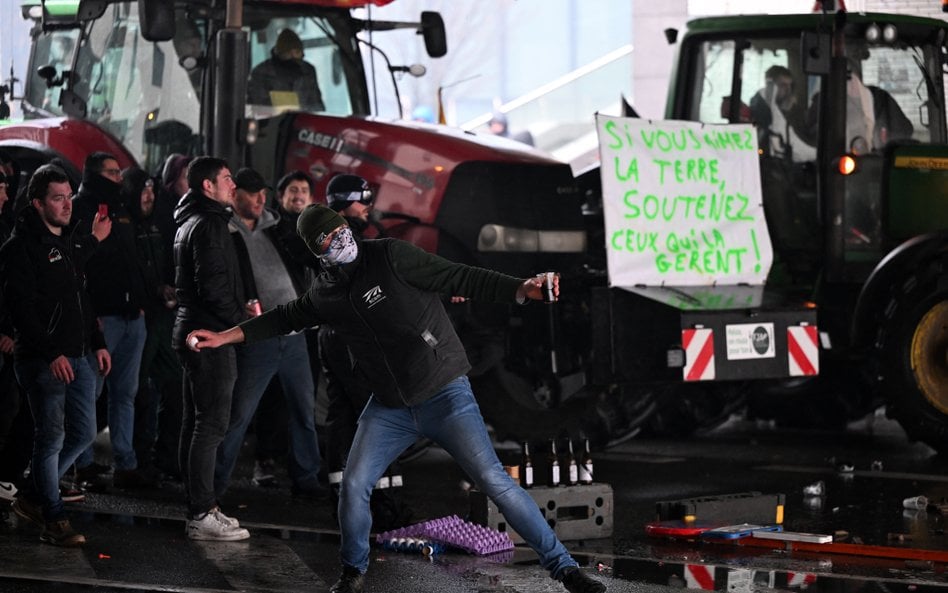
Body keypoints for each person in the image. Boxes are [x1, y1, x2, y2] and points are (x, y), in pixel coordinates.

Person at [185, 204, 607, 593]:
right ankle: (353, 571)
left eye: (341, 229)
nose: (341, 238)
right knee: (353, 485)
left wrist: (523, 288)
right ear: (318, 252)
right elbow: (282, 318)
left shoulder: (390, 256)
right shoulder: (326, 294)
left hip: (445, 395)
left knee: (495, 481)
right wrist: (224, 336)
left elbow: (460, 276)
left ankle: (565, 568)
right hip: (389, 407)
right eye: (328, 239)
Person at [0, 164, 112, 546]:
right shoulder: (19, 248)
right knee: (51, 437)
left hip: (79, 355)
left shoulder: (68, 242)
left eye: (68, 196)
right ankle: (53, 517)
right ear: (37, 202)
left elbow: (80, 298)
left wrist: (96, 341)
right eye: (57, 198)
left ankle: (33, 495)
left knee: (83, 431)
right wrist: (50, 354)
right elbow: (22, 309)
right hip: (42, 360)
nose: (66, 205)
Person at [214, 167, 325, 499]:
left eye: (263, 192)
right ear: (235, 195)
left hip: (292, 335)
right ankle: (214, 487)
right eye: (253, 193)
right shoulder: (224, 231)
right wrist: (238, 309)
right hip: (258, 336)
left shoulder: (276, 227)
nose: (261, 199)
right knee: (239, 413)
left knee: (304, 411)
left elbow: (304, 259)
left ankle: (306, 479)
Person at [172, 156, 249, 541]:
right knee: (211, 425)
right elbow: (214, 287)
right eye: (227, 178)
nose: (233, 185)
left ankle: (198, 506)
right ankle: (202, 511)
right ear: (207, 187)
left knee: (196, 422)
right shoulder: (210, 225)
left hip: (191, 328)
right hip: (210, 333)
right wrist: (242, 323)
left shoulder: (191, 221)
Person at [72, 152, 154, 489]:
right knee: (89, 392)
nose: (119, 178)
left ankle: (125, 462)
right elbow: (80, 267)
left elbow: (133, 261)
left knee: (125, 393)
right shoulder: (81, 208)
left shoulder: (121, 208)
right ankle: (82, 461)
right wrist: (92, 321)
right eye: (112, 172)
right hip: (103, 320)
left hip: (132, 317)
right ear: (95, 174)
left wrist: (141, 302)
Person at [120, 167, 182, 478]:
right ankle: (137, 460)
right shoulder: (123, 226)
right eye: (142, 189)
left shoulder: (160, 223)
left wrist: (170, 287)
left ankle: (166, 456)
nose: (149, 195)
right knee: (140, 392)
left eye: (151, 189)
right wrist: (154, 290)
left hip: (165, 317)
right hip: (140, 318)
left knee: (173, 386)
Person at [248, 29, 325, 112]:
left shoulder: (308, 71)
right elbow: (256, 107)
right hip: (272, 123)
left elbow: (317, 105)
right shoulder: (262, 73)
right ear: (281, 52)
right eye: (289, 52)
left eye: (297, 52)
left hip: (303, 122)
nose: (294, 56)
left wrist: (302, 110)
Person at [749, 65, 815, 162]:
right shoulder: (759, 109)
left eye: (789, 85)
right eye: (783, 85)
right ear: (771, 85)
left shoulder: (797, 113)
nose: (788, 90)